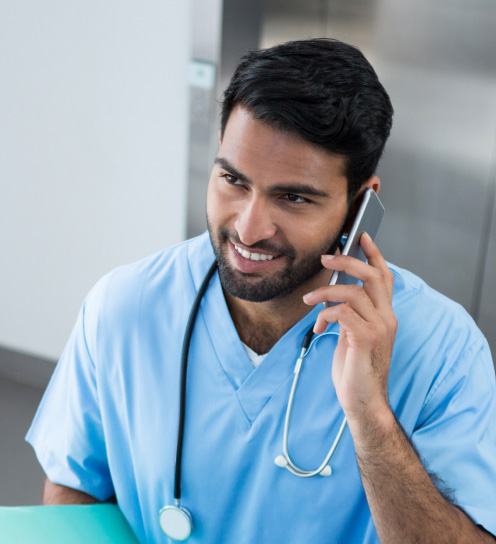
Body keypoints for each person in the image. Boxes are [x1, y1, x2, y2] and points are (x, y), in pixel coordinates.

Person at [27, 39, 496, 543]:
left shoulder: (443, 351)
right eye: (233, 179)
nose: (248, 229)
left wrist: (371, 419)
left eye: (293, 197)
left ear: (361, 203)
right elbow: (74, 487)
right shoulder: (125, 305)